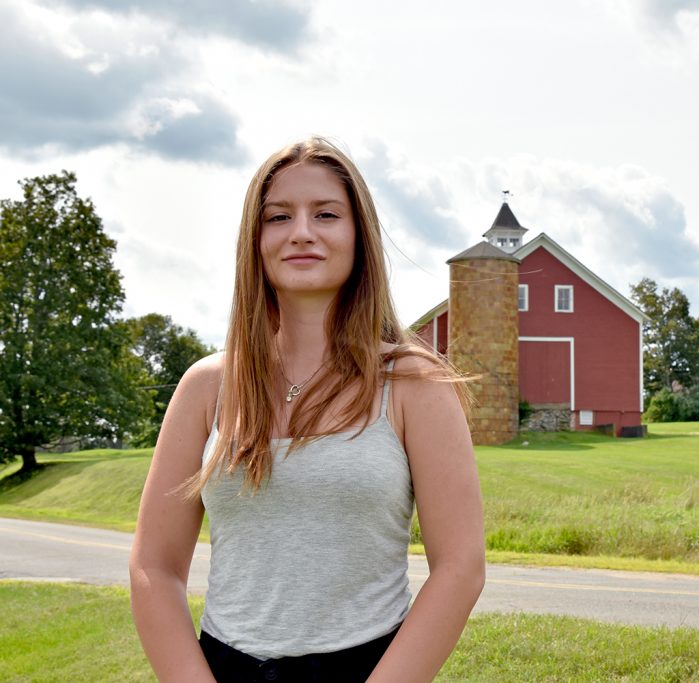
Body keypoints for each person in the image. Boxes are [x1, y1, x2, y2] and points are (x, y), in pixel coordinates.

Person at [129, 137, 486, 682]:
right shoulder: (207, 387)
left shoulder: (416, 384)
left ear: (358, 236)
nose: (301, 231)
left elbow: (460, 570)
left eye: (325, 214)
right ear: (256, 239)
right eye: (278, 216)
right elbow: (154, 565)